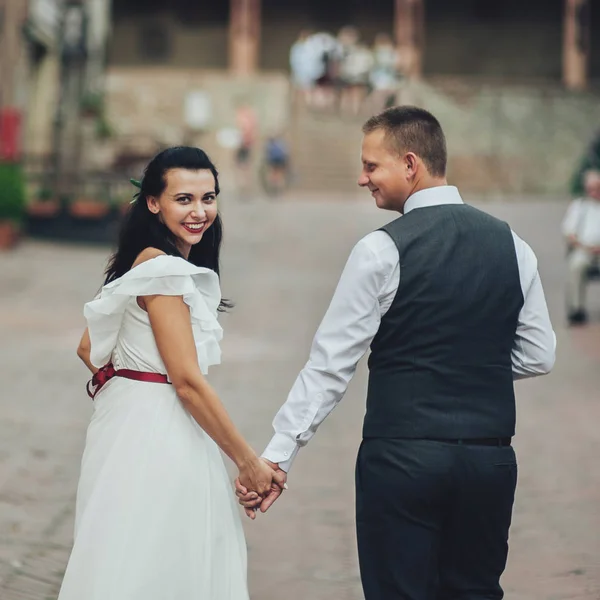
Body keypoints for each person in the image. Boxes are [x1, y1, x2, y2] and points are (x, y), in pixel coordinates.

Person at [237, 107, 556, 599]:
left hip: (403, 458)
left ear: (411, 164)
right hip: (489, 463)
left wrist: (278, 455)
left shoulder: (381, 250)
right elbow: (539, 354)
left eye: (371, 166)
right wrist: (467, 365)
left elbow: (330, 365)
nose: (361, 178)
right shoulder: (514, 245)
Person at [59, 147, 285, 600]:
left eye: (209, 197)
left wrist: (129, 382)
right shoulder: (163, 272)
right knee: (162, 562)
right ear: (153, 202)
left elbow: (89, 347)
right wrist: (249, 463)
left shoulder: (141, 260)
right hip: (159, 434)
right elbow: (186, 382)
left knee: (124, 552)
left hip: (127, 426)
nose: (199, 212)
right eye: (184, 199)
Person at [562, 169, 600, 325]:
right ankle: (577, 309)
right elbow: (569, 233)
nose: (594, 193)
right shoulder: (579, 206)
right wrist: (584, 247)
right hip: (584, 250)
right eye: (591, 189)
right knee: (576, 264)